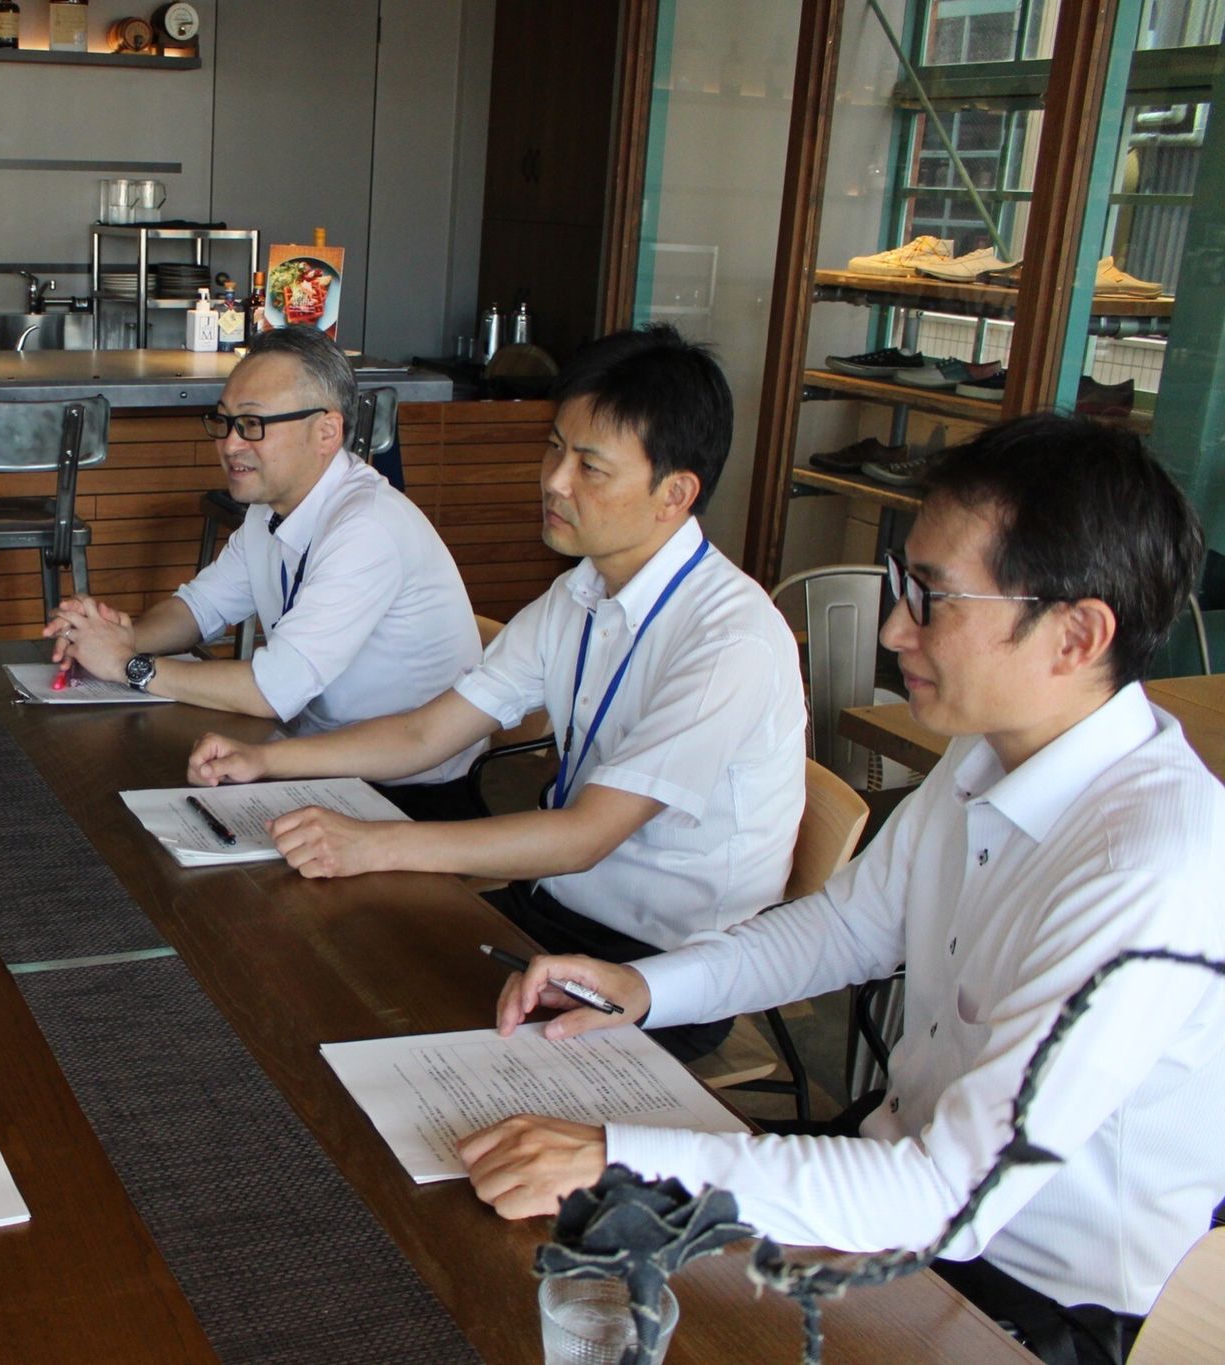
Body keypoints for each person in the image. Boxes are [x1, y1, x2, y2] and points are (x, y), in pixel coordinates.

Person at [462, 414, 1225, 1365]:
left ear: (1076, 635)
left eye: (932, 598)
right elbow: (846, 929)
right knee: (532, 1257)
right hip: (889, 1189)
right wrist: (650, 986)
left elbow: (950, 1197)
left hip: (1027, 1300)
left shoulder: (1147, 863)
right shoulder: (990, 753)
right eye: (904, 582)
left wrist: (623, 1156)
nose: (895, 627)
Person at [187, 326, 805, 1016]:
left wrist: (375, 843)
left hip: (660, 968)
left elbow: (584, 836)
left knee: (354, 1002)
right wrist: (266, 760)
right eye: (555, 448)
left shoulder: (729, 642)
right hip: (550, 910)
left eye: (590, 468)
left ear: (675, 493)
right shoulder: (578, 594)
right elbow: (426, 733)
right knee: (302, 961)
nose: (554, 480)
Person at [47, 325, 484, 800]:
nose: (230, 444)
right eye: (225, 421)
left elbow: (271, 691)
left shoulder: (367, 527)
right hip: (318, 761)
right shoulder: (270, 508)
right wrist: (115, 637)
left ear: (326, 431)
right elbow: (200, 608)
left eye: (253, 424)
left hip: (410, 794)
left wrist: (128, 664)